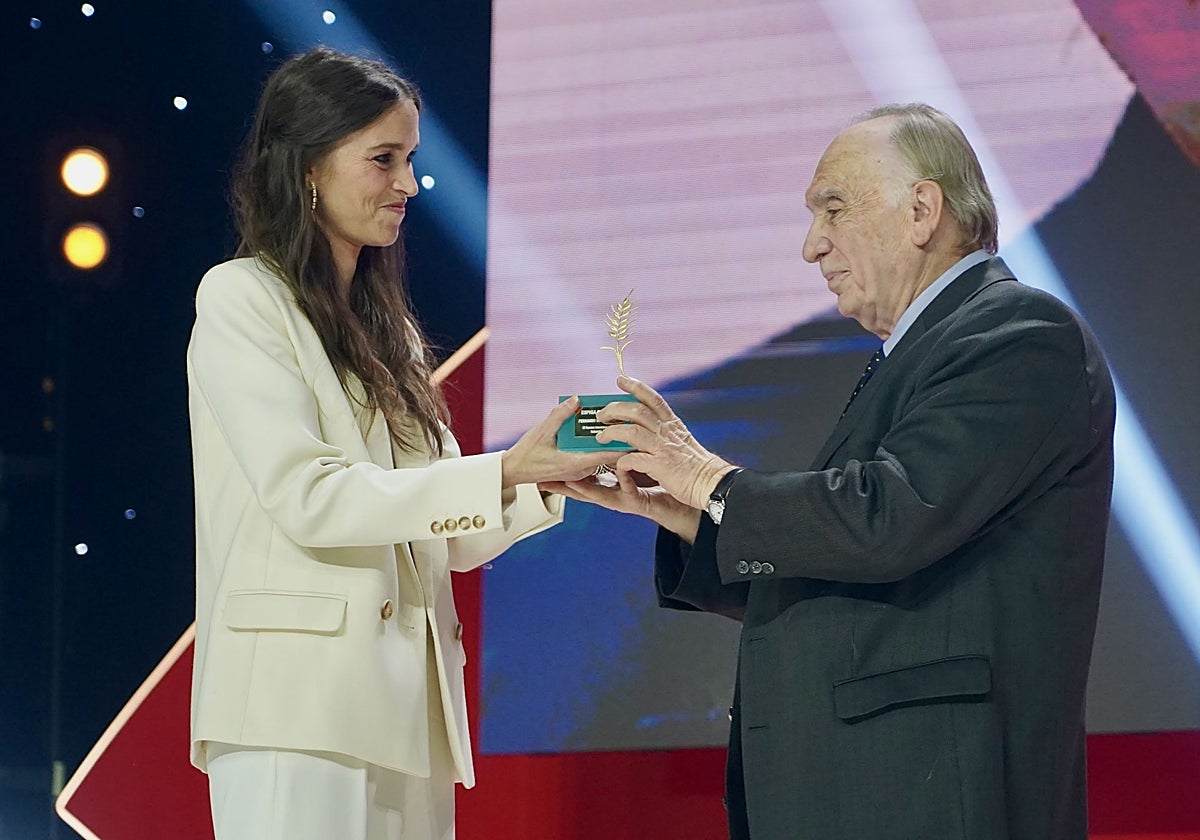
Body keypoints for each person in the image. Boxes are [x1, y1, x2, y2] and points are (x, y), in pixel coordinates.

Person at [550, 103, 1116, 839]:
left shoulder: (1016, 333)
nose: (812, 246)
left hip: (935, 794)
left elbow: (891, 519)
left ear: (922, 210)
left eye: (834, 209)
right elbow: (858, 559)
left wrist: (710, 481)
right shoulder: (927, 350)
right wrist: (693, 516)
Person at [186, 47, 614, 840]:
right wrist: (505, 468)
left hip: (408, 709)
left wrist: (548, 479)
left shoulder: (390, 334)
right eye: (383, 160)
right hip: (294, 710)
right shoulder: (242, 299)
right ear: (309, 164)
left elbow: (440, 532)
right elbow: (311, 498)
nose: (409, 185)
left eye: (411, 159)